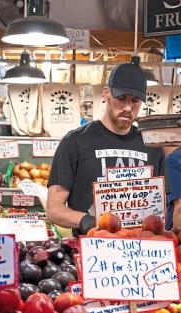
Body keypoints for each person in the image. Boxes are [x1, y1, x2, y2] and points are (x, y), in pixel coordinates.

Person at [46, 61, 167, 235]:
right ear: (106, 93)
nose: (127, 107)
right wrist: (85, 221)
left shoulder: (152, 145)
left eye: (135, 101)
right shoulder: (75, 141)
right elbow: (53, 208)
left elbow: (162, 205)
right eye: (121, 98)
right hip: (93, 251)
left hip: (141, 253)